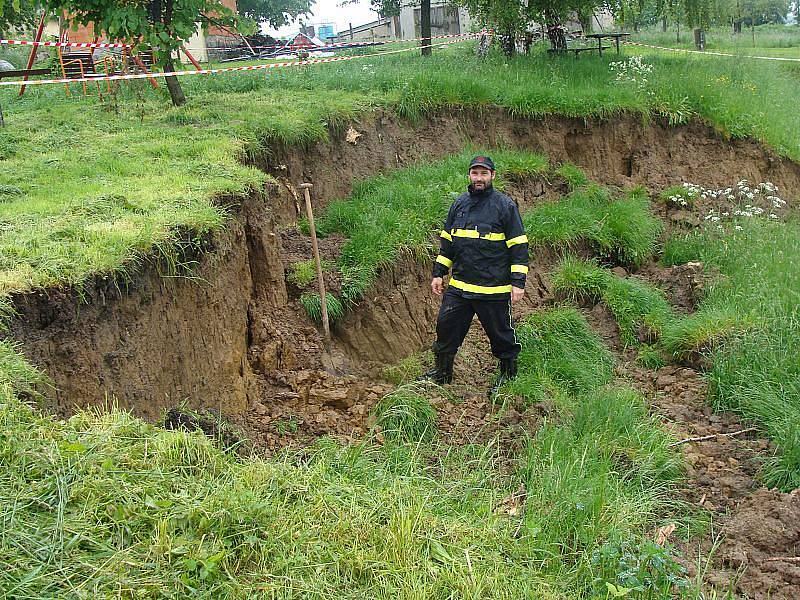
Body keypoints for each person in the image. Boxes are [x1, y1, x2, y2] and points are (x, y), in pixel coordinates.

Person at [421, 155, 529, 391]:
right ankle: (442, 373)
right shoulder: (459, 205)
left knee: (501, 335)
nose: (478, 178)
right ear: (469, 175)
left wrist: (518, 282)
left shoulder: (505, 206)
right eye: (475, 173)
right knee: (446, 328)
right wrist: (439, 272)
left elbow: (519, 246)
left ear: (493, 176)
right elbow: (448, 243)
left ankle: (508, 377)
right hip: (460, 287)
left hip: (494, 289)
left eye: (483, 173)